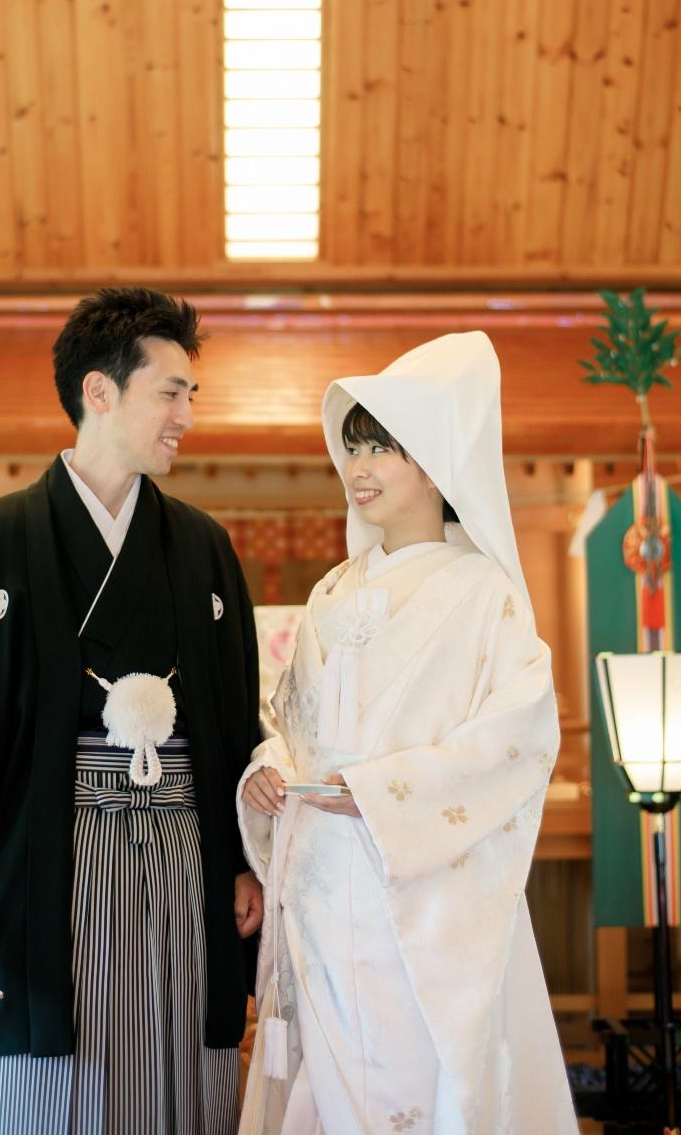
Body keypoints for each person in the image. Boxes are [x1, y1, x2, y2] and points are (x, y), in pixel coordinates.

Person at [0, 286, 262, 1135]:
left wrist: (247, 860)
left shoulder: (204, 547)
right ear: (98, 391)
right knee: (43, 1084)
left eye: (190, 395)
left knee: (180, 1071)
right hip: (41, 862)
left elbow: (234, 720)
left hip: (184, 855)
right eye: (169, 393)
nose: (186, 415)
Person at [238, 331, 577, 1135]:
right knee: (328, 1081)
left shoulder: (483, 592)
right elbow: (295, 727)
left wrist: (384, 793)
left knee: (420, 1083)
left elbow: (518, 738)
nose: (358, 468)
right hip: (323, 888)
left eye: (381, 449)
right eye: (353, 448)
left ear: (433, 462)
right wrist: (269, 767)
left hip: (421, 894)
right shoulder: (330, 591)